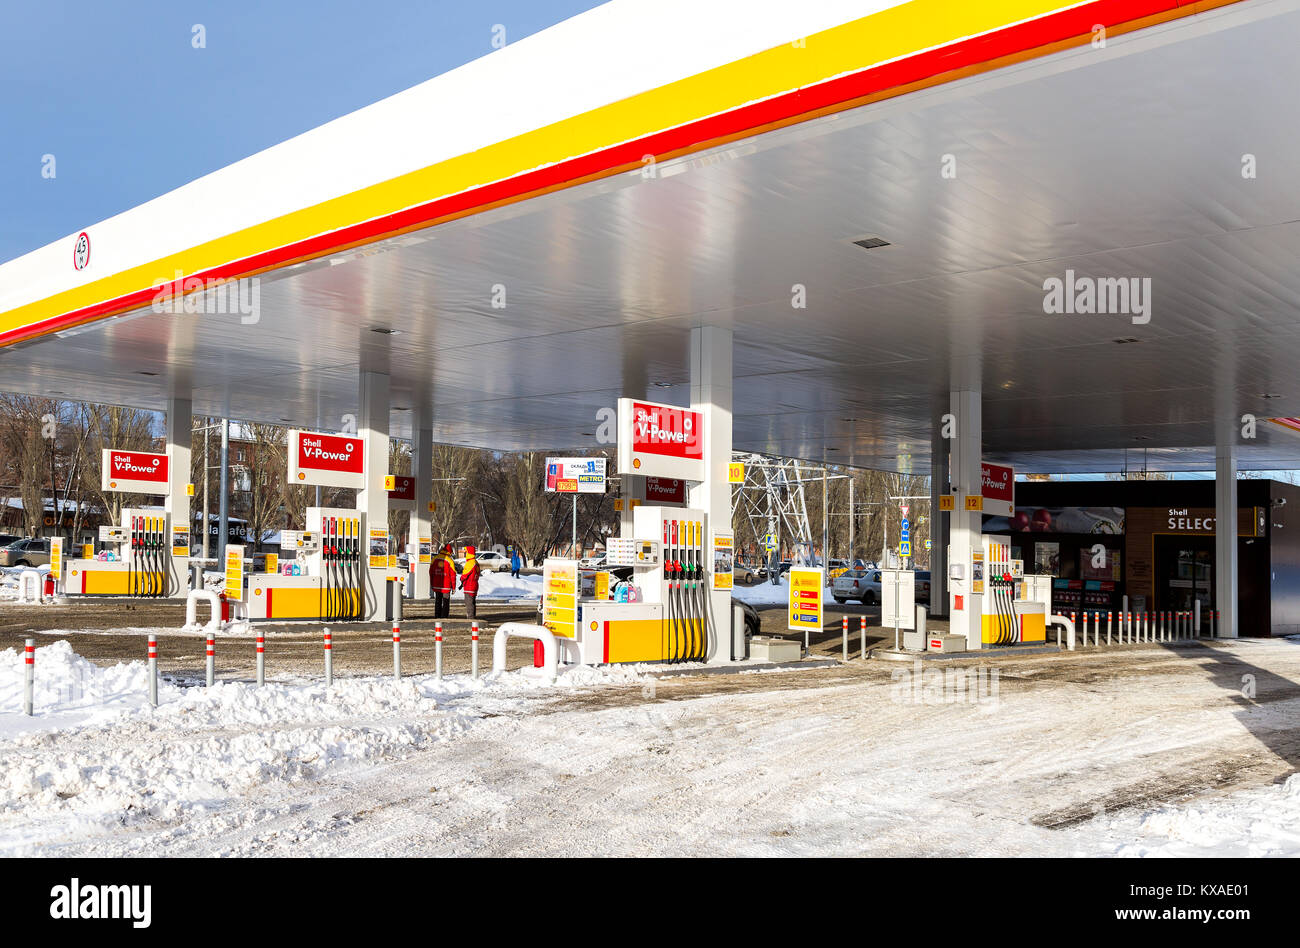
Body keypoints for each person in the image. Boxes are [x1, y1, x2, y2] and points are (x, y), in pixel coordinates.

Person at [430, 544, 457, 619]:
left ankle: (437, 616)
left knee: (438, 601)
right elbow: (453, 575)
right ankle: (444, 616)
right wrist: (453, 587)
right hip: (446, 586)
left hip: (436, 584)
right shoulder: (450, 561)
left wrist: (431, 583)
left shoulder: (435, 559)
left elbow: (431, 572)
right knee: (446, 602)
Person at [460, 545, 481, 620]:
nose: (465, 554)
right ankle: (473, 617)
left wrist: (461, 578)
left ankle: (471, 619)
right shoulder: (476, 562)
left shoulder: (470, 563)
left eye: (466, 552)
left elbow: (464, 575)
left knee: (469, 603)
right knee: (472, 602)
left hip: (469, 585)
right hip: (474, 584)